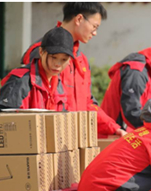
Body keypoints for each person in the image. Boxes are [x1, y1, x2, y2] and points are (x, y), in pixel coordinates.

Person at [21, 2, 125, 137]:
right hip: (48, 139)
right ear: (79, 19)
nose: (95, 33)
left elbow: (88, 103)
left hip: (73, 141)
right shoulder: (42, 52)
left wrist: (114, 128)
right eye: (94, 27)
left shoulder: (81, 60)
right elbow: (34, 102)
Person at [0, 27, 74, 112]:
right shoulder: (21, 80)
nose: (58, 64)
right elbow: (0, 116)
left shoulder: (58, 84)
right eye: (54, 57)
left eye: (64, 60)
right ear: (41, 52)